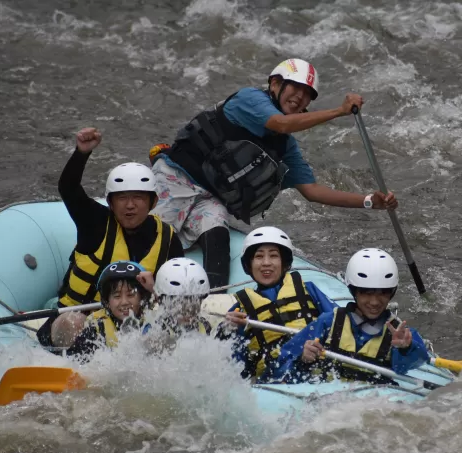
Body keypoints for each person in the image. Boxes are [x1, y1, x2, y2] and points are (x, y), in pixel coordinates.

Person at [148, 58, 398, 290]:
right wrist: (339, 111)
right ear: (276, 84)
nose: (300, 98)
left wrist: (368, 201)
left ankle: (214, 301)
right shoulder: (249, 100)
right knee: (155, 241)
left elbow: (312, 191)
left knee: (217, 237)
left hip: (210, 200)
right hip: (177, 177)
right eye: (295, 89)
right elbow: (280, 123)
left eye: (307, 95)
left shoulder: (285, 146)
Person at [37, 127, 184, 348]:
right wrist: (81, 152)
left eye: (138, 198)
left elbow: (177, 297)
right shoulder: (95, 223)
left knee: (162, 334)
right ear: (111, 203)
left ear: (153, 202)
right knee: (74, 321)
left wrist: (157, 290)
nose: (130, 205)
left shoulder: (167, 238)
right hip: (78, 321)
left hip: (131, 327)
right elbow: (68, 188)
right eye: (122, 198)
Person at [265, 248, 430, 384]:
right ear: (353, 291)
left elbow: (410, 364)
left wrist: (405, 348)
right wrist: (302, 358)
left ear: (392, 293)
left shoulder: (399, 335)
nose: (374, 302)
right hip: (327, 400)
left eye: (383, 293)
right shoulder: (328, 323)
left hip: (369, 406)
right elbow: (281, 363)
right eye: (366, 293)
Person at [219, 226, 337, 380]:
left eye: (273, 256)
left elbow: (340, 323)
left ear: (284, 263)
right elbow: (232, 364)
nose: (266, 263)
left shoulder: (308, 290)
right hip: (274, 380)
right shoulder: (241, 311)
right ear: (249, 264)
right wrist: (226, 331)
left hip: (316, 367)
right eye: (259, 257)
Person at [66, 261, 151, 358]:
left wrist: (153, 289)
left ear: (142, 298)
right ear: (107, 302)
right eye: (117, 296)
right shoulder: (96, 328)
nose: (124, 302)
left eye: (131, 294)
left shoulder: (153, 321)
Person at [147, 257, 213, 336]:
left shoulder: (204, 326)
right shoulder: (157, 329)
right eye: (180, 303)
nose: (188, 310)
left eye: (194, 304)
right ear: (161, 300)